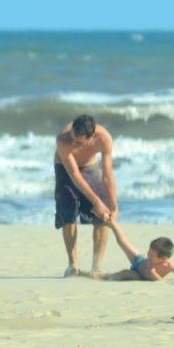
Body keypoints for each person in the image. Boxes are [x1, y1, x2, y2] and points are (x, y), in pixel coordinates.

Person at [54, 114, 118, 276]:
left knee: (104, 213)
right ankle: (73, 265)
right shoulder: (63, 139)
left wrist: (113, 205)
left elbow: (107, 175)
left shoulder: (104, 139)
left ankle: (97, 266)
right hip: (65, 168)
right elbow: (75, 175)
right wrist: (96, 201)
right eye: (73, 139)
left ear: (92, 137)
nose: (74, 144)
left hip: (90, 167)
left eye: (79, 142)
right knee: (67, 211)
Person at [79, 217, 174, 282]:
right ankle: (111, 222)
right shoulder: (149, 264)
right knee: (122, 242)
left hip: (137, 275)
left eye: (152, 255)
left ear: (163, 259)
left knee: (128, 274)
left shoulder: (170, 266)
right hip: (139, 262)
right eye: (149, 252)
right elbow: (158, 280)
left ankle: (84, 274)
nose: (149, 256)